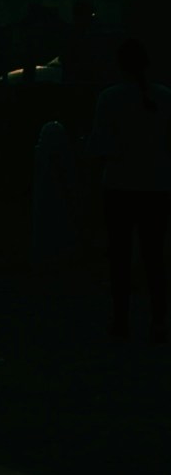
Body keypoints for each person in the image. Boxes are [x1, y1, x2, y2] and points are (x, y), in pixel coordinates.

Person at [94, 38, 167, 345]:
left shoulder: (109, 98)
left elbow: (101, 147)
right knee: (155, 255)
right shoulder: (165, 97)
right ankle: (159, 319)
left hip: (120, 186)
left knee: (120, 256)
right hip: (157, 186)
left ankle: (121, 318)